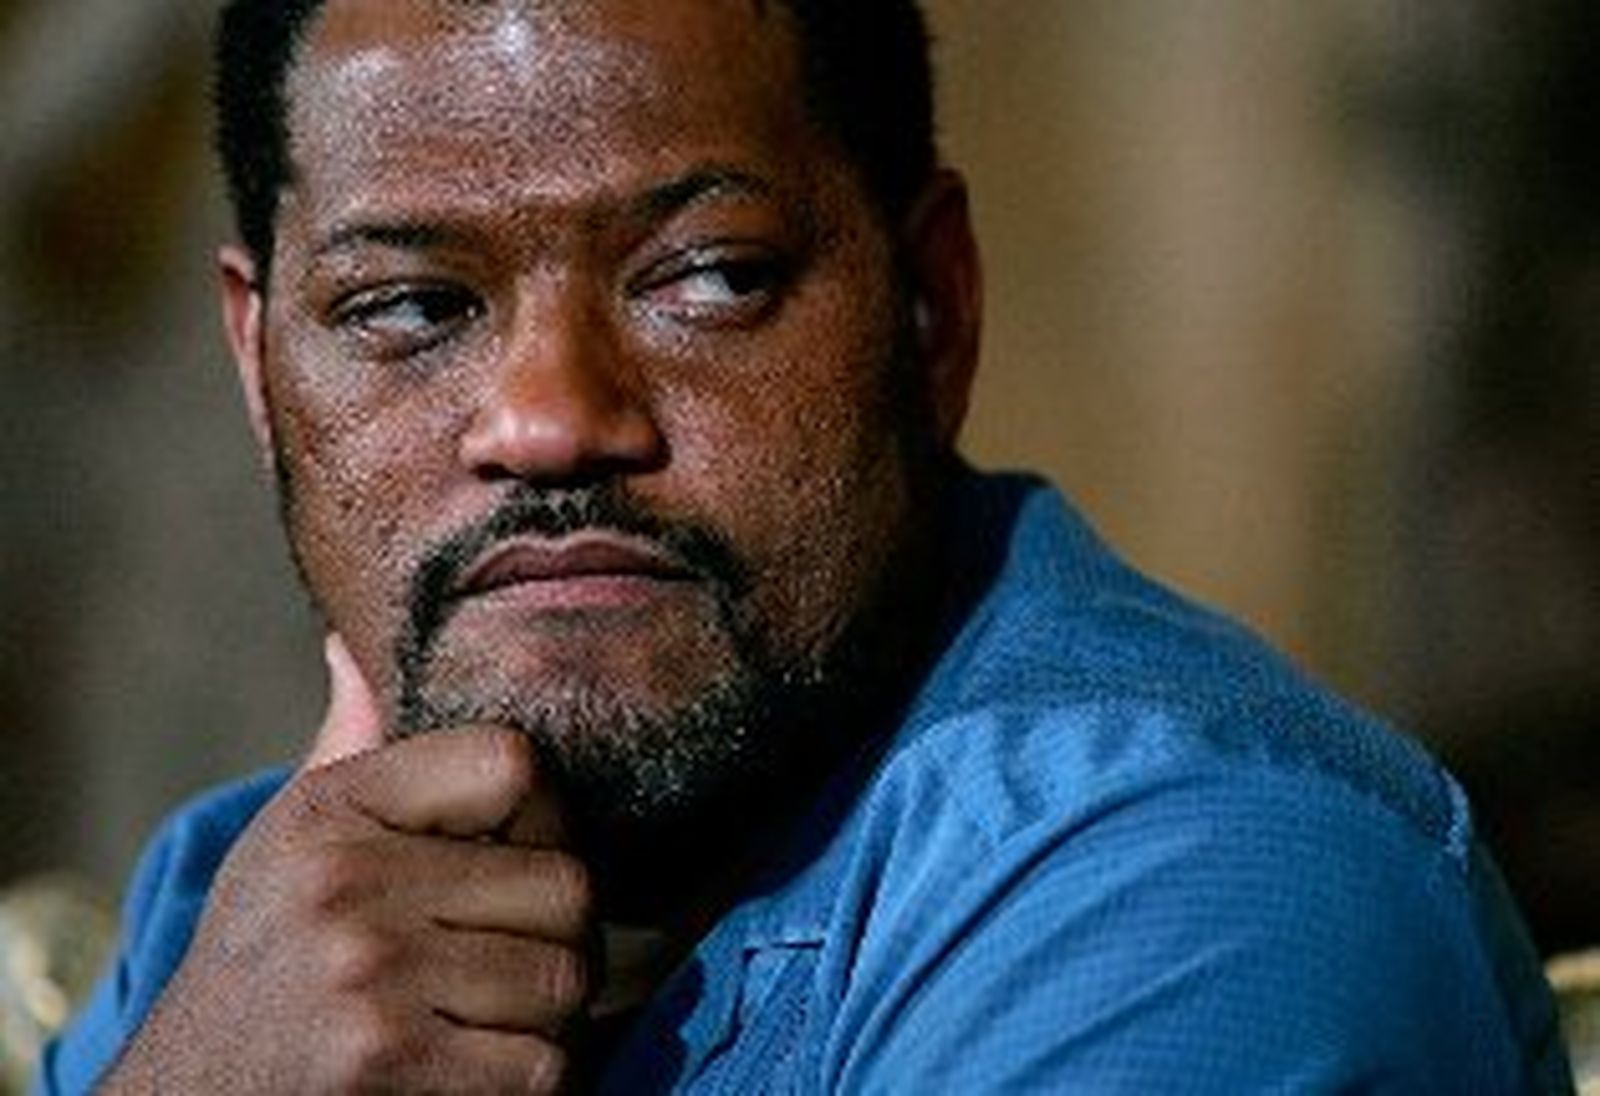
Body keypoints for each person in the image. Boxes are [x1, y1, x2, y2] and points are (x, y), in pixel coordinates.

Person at [34, 0, 1573, 1091]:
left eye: (708, 278)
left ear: (933, 307)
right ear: (261, 371)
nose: (550, 419)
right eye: (411, 307)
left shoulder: (1201, 884)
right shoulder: (259, 916)